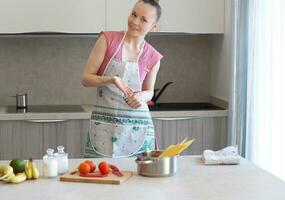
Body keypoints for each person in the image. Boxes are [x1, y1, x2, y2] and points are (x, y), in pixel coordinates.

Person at [81, 0, 162, 158]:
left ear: (154, 27)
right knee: (100, 177)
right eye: (134, 14)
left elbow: (149, 91)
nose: (135, 21)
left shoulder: (153, 56)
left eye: (143, 19)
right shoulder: (108, 40)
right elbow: (85, 79)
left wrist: (140, 96)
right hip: (104, 126)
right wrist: (111, 79)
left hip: (137, 128)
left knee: (138, 180)